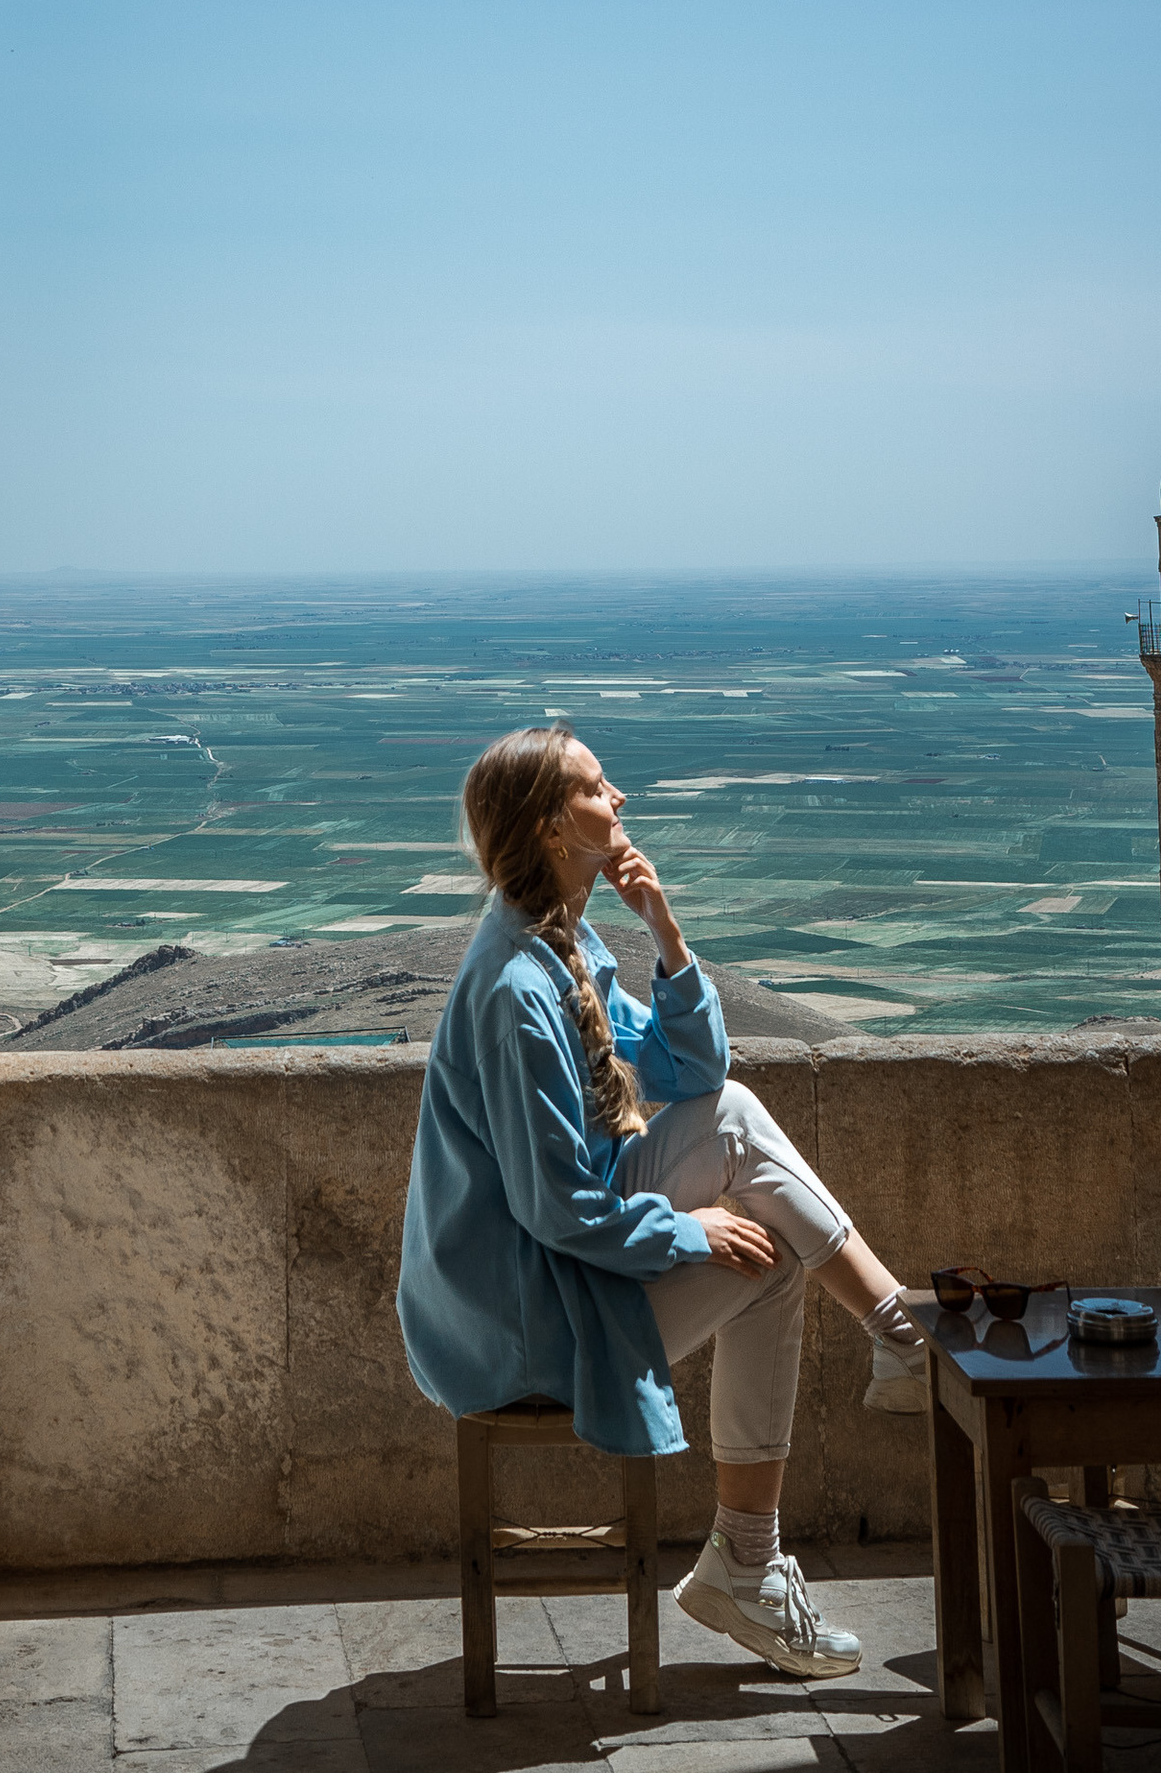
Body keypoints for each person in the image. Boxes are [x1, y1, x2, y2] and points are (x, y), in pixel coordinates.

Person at [397, 718, 931, 1681]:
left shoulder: (563, 942)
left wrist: (665, 932)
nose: (621, 800)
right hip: (523, 1318)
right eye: (599, 788)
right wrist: (684, 1227)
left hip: (551, 1270)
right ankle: (896, 1345)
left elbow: (692, 1067)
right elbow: (555, 1205)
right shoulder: (519, 989)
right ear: (553, 829)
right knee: (741, 1166)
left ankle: (754, 1551)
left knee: (759, 1224)